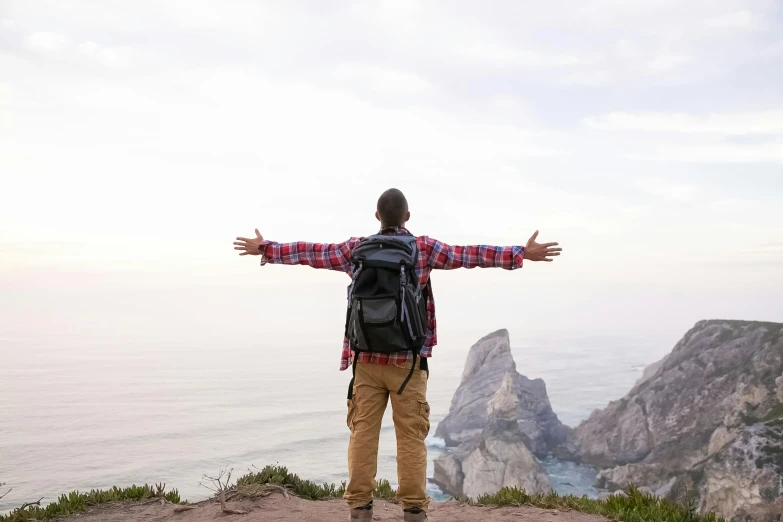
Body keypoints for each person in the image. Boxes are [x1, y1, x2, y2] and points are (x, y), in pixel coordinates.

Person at [233, 188, 561, 521]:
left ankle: (360, 508)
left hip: (366, 362)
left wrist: (266, 248)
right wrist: (520, 253)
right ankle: (414, 511)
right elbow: (469, 255)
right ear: (407, 216)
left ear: (377, 217)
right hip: (408, 364)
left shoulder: (353, 250)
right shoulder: (423, 249)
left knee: (363, 434)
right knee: (410, 438)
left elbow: (308, 252)